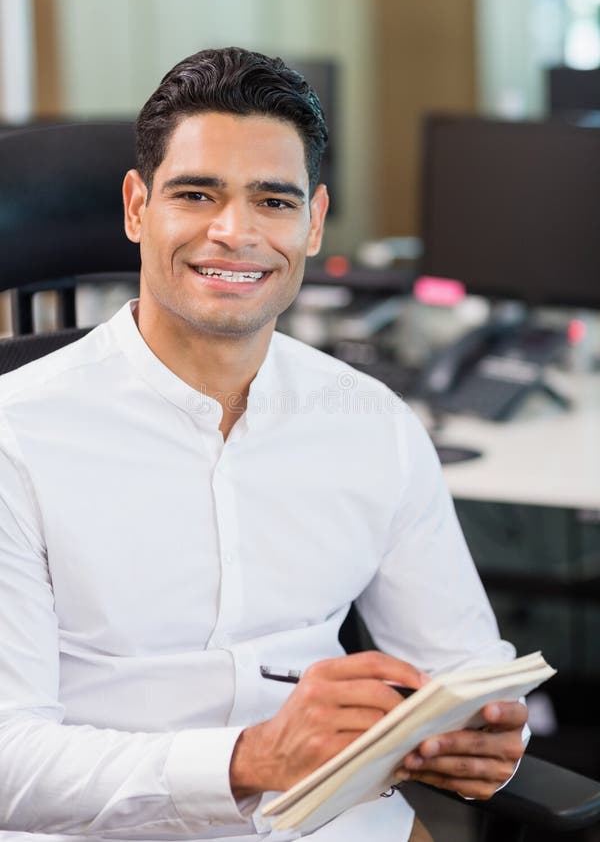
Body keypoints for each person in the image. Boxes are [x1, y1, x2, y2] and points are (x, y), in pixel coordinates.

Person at [0, 47, 526, 842]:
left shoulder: (373, 425)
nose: (234, 232)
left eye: (273, 201)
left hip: (339, 825)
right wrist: (248, 760)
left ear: (313, 223)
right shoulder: (18, 436)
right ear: (137, 207)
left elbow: (465, 670)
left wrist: (485, 741)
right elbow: (9, 757)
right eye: (196, 194)